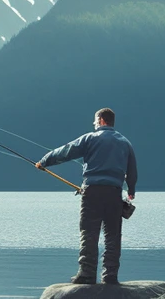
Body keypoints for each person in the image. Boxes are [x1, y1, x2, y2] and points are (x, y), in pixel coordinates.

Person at [35, 108, 138, 285]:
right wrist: (131, 190)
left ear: (102, 120)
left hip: (92, 193)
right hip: (114, 193)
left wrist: (44, 161)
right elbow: (132, 171)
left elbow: (66, 151)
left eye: (95, 121)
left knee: (89, 233)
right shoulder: (125, 142)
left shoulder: (90, 138)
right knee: (113, 235)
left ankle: (87, 275)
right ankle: (110, 276)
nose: (94, 124)